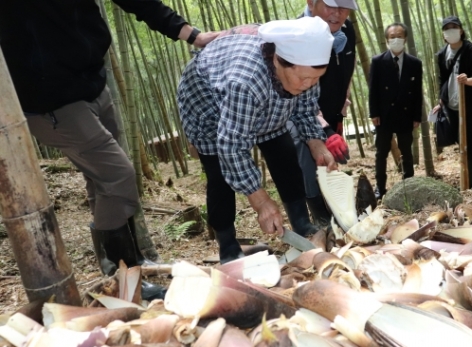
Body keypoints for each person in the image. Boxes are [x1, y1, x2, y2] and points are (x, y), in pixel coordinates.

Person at [0, 0, 216, 298]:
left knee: (102, 183)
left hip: (94, 84)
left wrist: (193, 35)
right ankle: (122, 277)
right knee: (118, 177)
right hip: (52, 103)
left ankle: (131, 269)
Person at [177, 17, 337, 264]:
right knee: (219, 172)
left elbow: (305, 107)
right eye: (304, 79)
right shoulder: (246, 81)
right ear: (279, 61)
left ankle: (301, 222)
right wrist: (261, 201)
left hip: (265, 101)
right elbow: (232, 146)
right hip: (208, 101)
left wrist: (317, 143)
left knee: (283, 151)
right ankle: (228, 246)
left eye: (315, 79)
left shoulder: (307, 70)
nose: (308, 85)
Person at [285, 0, 357, 227]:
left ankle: (337, 212)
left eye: (343, 8)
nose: (337, 14)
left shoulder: (347, 31)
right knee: (309, 163)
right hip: (299, 114)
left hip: (331, 111)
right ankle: (319, 218)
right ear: (311, 2)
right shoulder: (295, 37)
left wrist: (338, 117)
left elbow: (347, 71)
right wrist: (323, 129)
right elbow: (299, 93)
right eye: (330, 6)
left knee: (330, 166)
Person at [432, 16, 472, 190]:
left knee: (468, 141)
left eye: (454, 27)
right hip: (451, 103)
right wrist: (441, 102)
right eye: (447, 28)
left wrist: (470, 80)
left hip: (469, 102)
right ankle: (471, 178)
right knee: (460, 140)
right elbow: (443, 80)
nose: (451, 31)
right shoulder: (441, 54)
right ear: (443, 34)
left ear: (461, 30)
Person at [368, 23, 423, 199]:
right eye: (392, 37)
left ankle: (409, 184)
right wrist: (374, 113)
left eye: (399, 36)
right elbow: (373, 90)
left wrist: (416, 116)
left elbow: (417, 92)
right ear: (387, 40)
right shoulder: (378, 61)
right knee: (381, 152)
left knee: (406, 151)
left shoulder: (415, 63)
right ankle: (380, 188)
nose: (396, 40)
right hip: (384, 115)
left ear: (405, 39)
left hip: (406, 114)